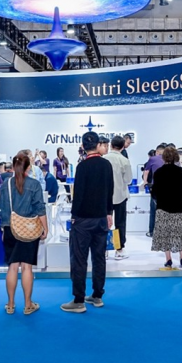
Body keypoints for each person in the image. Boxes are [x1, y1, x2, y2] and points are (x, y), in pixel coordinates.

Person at [61, 131, 113, 313]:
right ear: (98, 144)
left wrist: (74, 216)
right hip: (101, 218)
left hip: (83, 220)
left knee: (79, 260)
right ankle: (97, 296)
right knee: (99, 258)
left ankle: (79, 300)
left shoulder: (82, 166)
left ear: (83, 146)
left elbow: (78, 195)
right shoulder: (106, 165)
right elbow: (110, 191)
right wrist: (109, 213)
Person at [0, 153, 47, 315]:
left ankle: (10, 304)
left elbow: (2, 208)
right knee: (27, 267)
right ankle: (28, 305)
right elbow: (40, 208)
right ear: (28, 168)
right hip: (29, 229)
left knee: (12, 267)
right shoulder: (34, 184)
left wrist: (4, 228)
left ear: (13, 166)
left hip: (10, 228)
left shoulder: (6, 184)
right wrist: (45, 228)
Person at [150, 146, 182, 269]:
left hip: (163, 207)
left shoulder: (158, 172)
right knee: (180, 232)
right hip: (178, 207)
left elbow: (154, 191)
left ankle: (168, 259)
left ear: (164, 157)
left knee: (165, 233)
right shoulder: (180, 171)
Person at [103, 135, 133, 260]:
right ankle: (119, 249)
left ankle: (104, 249)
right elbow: (128, 180)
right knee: (120, 223)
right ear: (122, 147)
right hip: (120, 195)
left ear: (111, 145)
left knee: (104, 222)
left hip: (105, 197)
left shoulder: (103, 159)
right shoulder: (124, 160)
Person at [143, 143, 166, 236]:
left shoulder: (152, 159)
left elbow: (146, 171)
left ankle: (152, 231)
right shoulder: (170, 159)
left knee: (154, 210)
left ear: (157, 152)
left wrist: (145, 182)